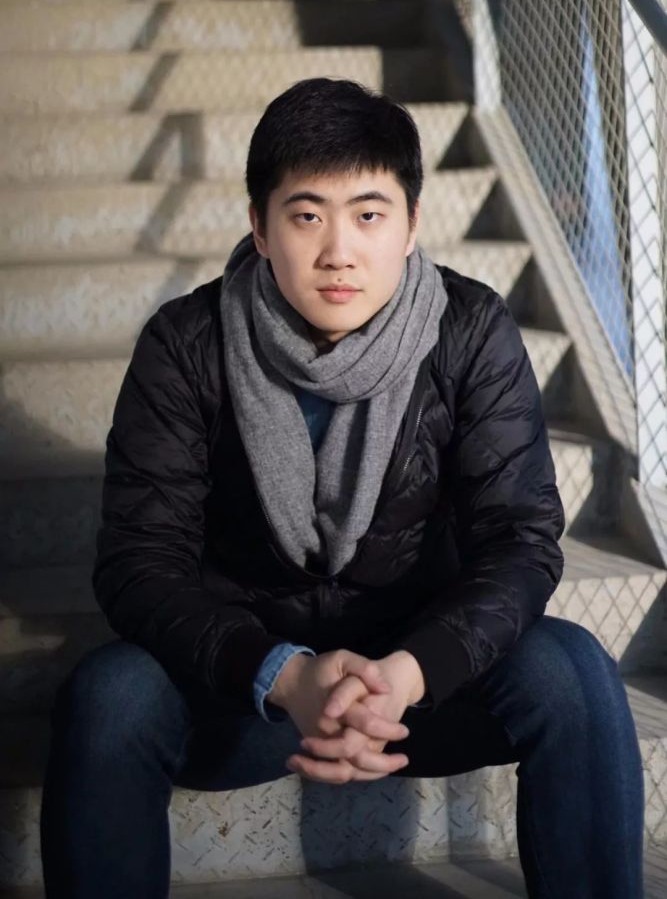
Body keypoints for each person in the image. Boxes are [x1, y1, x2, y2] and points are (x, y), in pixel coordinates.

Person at [39, 77, 644, 898]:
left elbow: (519, 541)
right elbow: (138, 563)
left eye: (367, 215)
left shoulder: (468, 330)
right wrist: (285, 678)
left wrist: (409, 672)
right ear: (259, 227)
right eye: (306, 216)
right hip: (249, 692)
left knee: (570, 670)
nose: (338, 252)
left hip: (416, 688)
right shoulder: (187, 343)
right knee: (110, 695)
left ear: (410, 225)